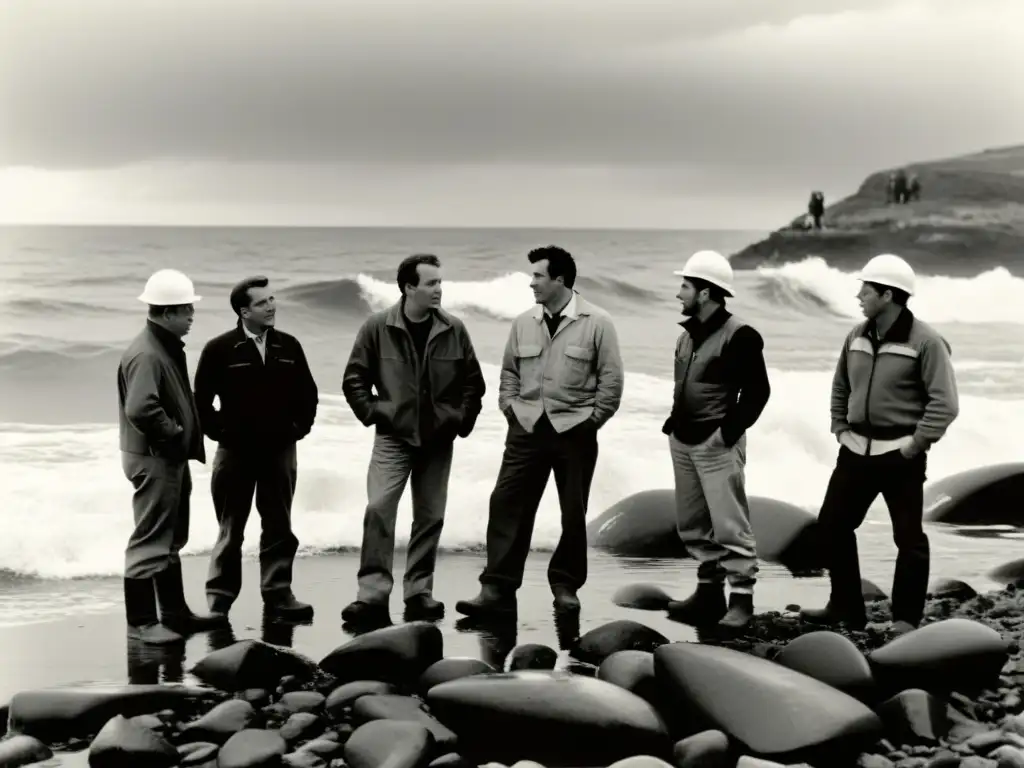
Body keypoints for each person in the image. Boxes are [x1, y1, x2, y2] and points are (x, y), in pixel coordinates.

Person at [456, 246, 624, 618]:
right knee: (505, 505)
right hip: (526, 428)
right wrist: (511, 409)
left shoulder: (598, 322)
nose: (531, 282)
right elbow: (509, 373)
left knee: (571, 513)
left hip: (575, 430)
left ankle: (565, 588)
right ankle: (497, 590)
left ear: (560, 280)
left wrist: (591, 421)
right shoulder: (522, 322)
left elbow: (611, 382)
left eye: (538, 276)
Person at [800, 253, 959, 635]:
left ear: (888, 295)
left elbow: (945, 403)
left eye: (866, 289)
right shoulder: (855, 336)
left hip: (900, 456)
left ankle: (905, 619)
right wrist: (839, 426)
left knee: (907, 538)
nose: (859, 296)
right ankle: (846, 607)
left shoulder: (927, 342)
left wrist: (916, 443)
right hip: (854, 451)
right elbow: (841, 385)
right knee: (832, 527)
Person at [341, 254, 486, 624]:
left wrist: (457, 419)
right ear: (409, 287)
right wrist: (378, 413)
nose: (439, 289)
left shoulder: (454, 328)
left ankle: (419, 592)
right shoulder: (377, 327)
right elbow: (354, 379)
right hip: (394, 436)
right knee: (378, 509)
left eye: (440, 282)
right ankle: (372, 594)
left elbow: (473, 383)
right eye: (432, 283)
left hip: (438, 439)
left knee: (430, 516)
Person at [194, 276, 319, 622]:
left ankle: (278, 595)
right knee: (230, 528)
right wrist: (223, 432)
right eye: (263, 302)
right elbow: (201, 403)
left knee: (279, 524)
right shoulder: (219, 349)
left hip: (280, 451)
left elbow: (307, 394)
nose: (272, 306)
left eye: (273, 299)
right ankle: (219, 601)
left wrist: (298, 429)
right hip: (235, 453)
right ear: (244, 310)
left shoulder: (288, 346)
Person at [660, 250, 771, 631]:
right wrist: (673, 425)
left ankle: (742, 600)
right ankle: (708, 595)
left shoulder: (741, 336)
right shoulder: (685, 335)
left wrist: (726, 434)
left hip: (716, 444)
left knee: (729, 526)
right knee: (692, 524)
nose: (680, 294)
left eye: (686, 286)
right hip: (684, 440)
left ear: (706, 293)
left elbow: (757, 394)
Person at [117, 269, 225, 645]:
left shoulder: (161, 345)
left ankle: (175, 614)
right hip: (155, 458)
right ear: (165, 312)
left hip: (165, 457)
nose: (192, 317)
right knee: (150, 539)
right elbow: (141, 408)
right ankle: (143, 623)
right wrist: (175, 434)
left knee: (171, 538)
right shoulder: (148, 353)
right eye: (186, 310)